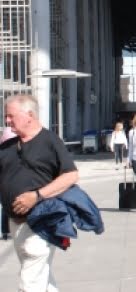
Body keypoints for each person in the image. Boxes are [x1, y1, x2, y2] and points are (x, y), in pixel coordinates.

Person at [0, 95, 79, 291]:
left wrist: (36, 195)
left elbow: (71, 175)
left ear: (29, 115)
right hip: (15, 223)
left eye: (11, 116)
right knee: (40, 274)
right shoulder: (7, 146)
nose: (7, 120)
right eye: (6, 116)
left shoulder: (50, 141)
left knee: (30, 279)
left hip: (41, 220)